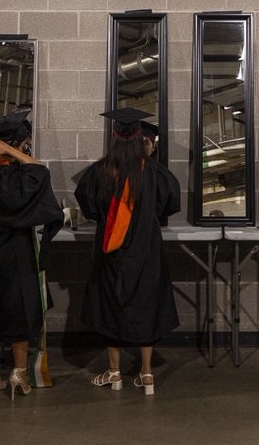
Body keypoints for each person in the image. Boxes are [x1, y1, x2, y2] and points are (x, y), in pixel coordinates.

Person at [75, 108, 181, 395]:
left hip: (112, 252)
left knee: (112, 306)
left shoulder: (101, 170)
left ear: (114, 138)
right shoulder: (154, 172)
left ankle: (114, 373)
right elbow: (171, 202)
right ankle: (146, 374)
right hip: (146, 252)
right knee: (146, 306)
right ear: (140, 139)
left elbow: (87, 205)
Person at [0, 110, 63, 400]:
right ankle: (19, 374)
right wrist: (13, 151)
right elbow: (41, 171)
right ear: (16, 144)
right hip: (15, 251)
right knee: (20, 311)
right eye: (25, 142)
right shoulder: (17, 174)